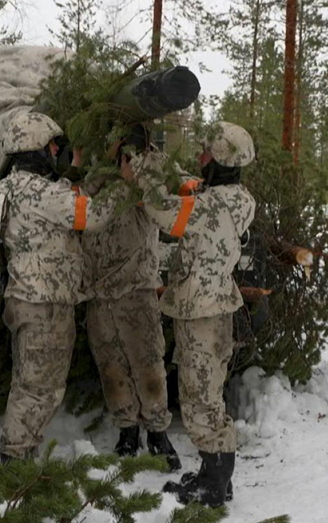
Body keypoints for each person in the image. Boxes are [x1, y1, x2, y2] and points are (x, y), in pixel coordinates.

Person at [129, 121, 256, 507]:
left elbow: (163, 211)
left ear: (219, 160)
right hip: (214, 307)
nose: (200, 158)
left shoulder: (209, 207)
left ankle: (214, 485)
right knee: (208, 391)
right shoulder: (238, 198)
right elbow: (193, 186)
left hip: (202, 313)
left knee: (199, 395)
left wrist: (141, 169)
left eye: (206, 153)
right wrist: (159, 159)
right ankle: (215, 473)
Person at [0, 111, 126, 462]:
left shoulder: (18, 186)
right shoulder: (39, 191)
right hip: (44, 305)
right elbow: (90, 215)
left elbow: (69, 194)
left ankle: (19, 458)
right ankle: (14, 466)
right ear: (34, 148)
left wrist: (91, 172)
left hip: (29, 298)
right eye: (51, 145)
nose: (57, 150)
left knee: (28, 384)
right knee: (40, 389)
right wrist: (124, 185)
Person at [79, 131, 180, 471]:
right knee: (111, 365)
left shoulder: (153, 168)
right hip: (99, 289)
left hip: (136, 286)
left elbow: (167, 196)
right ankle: (127, 430)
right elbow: (82, 200)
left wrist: (135, 172)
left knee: (148, 362)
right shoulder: (98, 173)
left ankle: (158, 432)